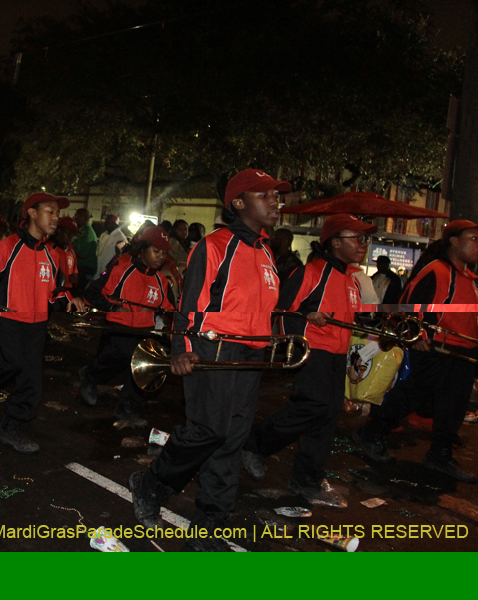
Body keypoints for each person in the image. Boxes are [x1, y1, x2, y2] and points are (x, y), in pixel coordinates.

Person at [128, 168, 289, 551]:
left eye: (277, 197)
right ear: (238, 203)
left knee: (232, 440)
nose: (275, 203)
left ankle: (210, 524)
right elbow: (190, 303)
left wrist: (275, 341)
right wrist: (181, 349)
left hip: (251, 355)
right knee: (208, 431)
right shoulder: (215, 245)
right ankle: (151, 483)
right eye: (265, 196)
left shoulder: (267, 252)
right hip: (213, 349)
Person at [242, 214, 377, 508]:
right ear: (335, 243)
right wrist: (306, 317)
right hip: (314, 351)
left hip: (339, 355)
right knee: (313, 406)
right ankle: (255, 442)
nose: (363, 244)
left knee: (327, 416)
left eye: (364, 239)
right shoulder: (311, 273)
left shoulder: (352, 280)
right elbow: (278, 313)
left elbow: (357, 319)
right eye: (357, 238)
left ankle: (307, 479)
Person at [355, 220, 478, 483]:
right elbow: (409, 304)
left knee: (453, 407)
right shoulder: (438, 271)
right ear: (454, 241)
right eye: (473, 238)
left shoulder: (469, 278)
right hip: (436, 350)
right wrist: (419, 336)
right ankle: (373, 431)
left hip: (462, 351)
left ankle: (440, 455)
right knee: (411, 396)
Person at [0, 192, 85, 453]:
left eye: (57, 213)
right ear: (32, 213)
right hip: (8, 320)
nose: (56, 217)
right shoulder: (7, 246)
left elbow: (54, 292)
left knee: (31, 381)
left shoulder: (53, 253)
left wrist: (70, 298)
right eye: (50, 211)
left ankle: (11, 426)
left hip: (37, 324)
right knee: (5, 367)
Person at [80, 225, 175, 427]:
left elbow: (168, 309)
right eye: (156, 251)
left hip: (144, 331)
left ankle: (127, 407)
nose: (160, 256)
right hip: (119, 329)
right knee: (121, 355)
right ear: (142, 249)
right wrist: (114, 308)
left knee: (143, 365)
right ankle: (90, 375)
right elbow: (91, 294)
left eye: (164, 253)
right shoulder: (121, 269)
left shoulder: (161, 280)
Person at [46, 215, 79, 288]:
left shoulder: (71, 252)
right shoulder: (48, 249)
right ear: (59, 231)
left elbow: (75, 272)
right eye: (69, 234)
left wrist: (74, 277)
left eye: (74, 235)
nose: (71, 238)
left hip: (66, 293)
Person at [95, 214, 128, 278]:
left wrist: (108, 271)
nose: (105, 223)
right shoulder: (103, 235)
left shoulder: (120, 238)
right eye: (105, 221)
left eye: (108, 222)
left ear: (115, 224)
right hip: (97, 270)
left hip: (107, 273)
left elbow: (122, 257)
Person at [72, 208, 97, 290]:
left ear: (82, 218)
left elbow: (82, 254)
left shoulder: (87, 233)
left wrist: (69, 252)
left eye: (76, 215)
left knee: (78, 292)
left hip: (84, 269)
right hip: (81, 267)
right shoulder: (82, 230)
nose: (74, 217)